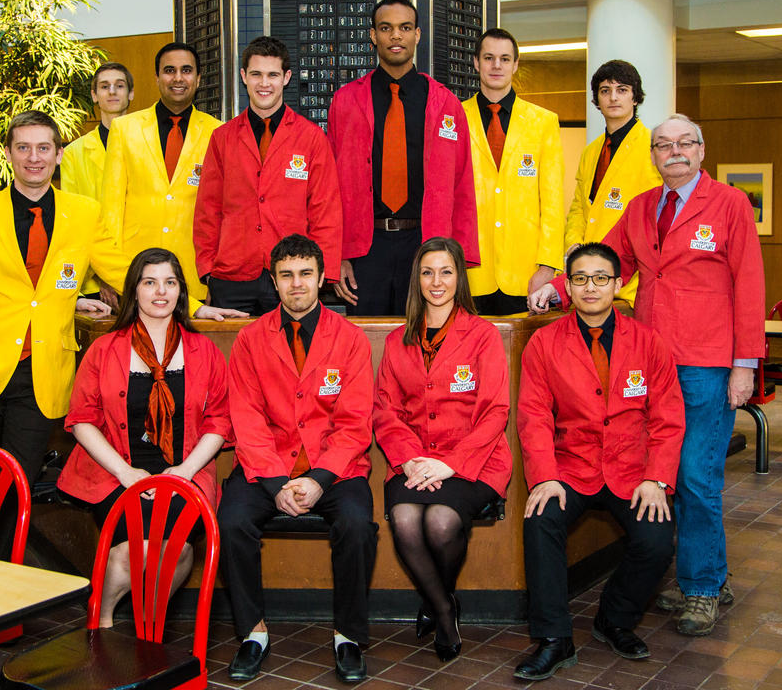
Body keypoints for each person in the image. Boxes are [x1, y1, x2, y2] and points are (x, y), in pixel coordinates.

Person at [528, 114, 765, 637]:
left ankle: (701, 588)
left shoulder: (728, 205)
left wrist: (744, 365)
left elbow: (750, 284)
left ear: (701, 151)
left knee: (697, 478)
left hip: (707, 364)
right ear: (653, 155)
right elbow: (607, 264)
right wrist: (559, 290)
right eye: (663, 145)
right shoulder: (641, 208)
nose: (673, 152)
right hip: (650, 361)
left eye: (684, 144)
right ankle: (708, 575)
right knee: (666, 474)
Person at [0, 110, 121, 556]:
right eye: (24, 148)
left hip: (42, 373)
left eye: (43, 148)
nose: (34, 158)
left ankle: (5, 577)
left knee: (19, 480)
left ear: (59, 156)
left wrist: (190, 300)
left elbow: (126, 271)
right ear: (10, 154)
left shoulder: (84, 214)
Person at [515, 242, 684, 681]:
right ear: (567, 286)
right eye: (581, 279)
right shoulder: (544, 344)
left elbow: (668, 419)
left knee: (657, 541)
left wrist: (656, 479)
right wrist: (544, 478)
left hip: (632, 469)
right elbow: (533, 417)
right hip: (571, 466)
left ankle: (615, 619)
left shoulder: (649, 343)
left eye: (601, 278)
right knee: (540, 522)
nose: (591, 287)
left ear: (618, 283)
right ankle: (554, 638)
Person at [219, 234, 377, 683]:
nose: (297, 284)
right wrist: (275, 484)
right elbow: (245, 417)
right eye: (286, 275)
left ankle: (348, 636)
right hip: (266, 466)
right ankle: (253, 632)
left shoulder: (349, 339)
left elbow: (355, 420)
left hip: (335, 468)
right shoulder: (251, 340)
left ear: (321, 278)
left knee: (357, 525)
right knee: (231, 523)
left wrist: (320, 479)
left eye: (305, 274)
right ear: (273, 280)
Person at [56, 248, 229, 627]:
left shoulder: (205, 351)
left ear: (181, 291)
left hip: (186, 473)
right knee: (132, 551)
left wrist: (184, 471)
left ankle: (145, 625)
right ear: (134, 290)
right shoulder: (104, 350)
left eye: (170, 282)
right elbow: (82, 420)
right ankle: (102, 622)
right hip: (114, 473)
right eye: (150, 282)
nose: (160, 292)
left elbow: (219, 421)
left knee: (178, 548)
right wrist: (126, 473)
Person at [373, 236, 511, 664]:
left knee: (441, 522)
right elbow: (384, 410)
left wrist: (448, 464)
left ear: (459, 278)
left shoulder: (483, 336)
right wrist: (411, 459)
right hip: (413, 461)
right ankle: (445, 607)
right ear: (417, 278)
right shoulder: (398, 341)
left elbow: (495, 411)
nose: (437, 281)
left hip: (475, 462)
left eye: (446, 271)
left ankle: (437, 603)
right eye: (428, 272)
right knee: (407, 517)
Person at [329, 0, 478, 316]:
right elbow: (328, 191)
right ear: (373, 36)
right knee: (367, 347)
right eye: (386, 28)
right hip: (365, 249)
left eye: (404, 27)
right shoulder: (345, 102)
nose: (396, 36)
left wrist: (458, 257)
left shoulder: (446, 104)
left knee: (424, 346)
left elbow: (463, 185)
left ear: (417, 35)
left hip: (426, 245)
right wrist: (336, 254)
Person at [194, 36, 341, 314]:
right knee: (233, 356)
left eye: (273, 75)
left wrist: (321, 273)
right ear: (243, 77)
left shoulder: (311, 138)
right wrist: (207, 271)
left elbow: (326, 211)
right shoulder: (222, 138)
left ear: (286, 77)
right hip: (231, 276)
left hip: (291, 276)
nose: (264, 84)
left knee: (289, 355)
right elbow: (207, 210)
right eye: (256, 74)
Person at [102, 42, 227, 307]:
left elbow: (223, 212)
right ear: (157, 77)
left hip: (194, 277)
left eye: (186, 70)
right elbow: (111, 209)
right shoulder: (125, 130)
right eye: (169, 70)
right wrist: (109, 277)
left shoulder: (218, 133)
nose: (178, 78)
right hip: (135, 274)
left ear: (198, 78)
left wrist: (217, 278)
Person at [462, 28, 563, 315]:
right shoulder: (454, 118)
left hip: (525, 273)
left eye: (505, 59)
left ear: (515, 65)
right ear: (476, 63)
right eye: (489, 58)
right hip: (470, 271)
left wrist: (547, 266)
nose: (497, 66)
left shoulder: (543, 123)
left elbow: (553, 203)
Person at [563, 60, 661, 305]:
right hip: (588, 276)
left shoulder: (654, 147)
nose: (613, 98)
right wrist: (573, 244)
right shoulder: (591, 151)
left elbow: (654, 218)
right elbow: (578, 208)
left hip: (631, 285)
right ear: (597, 99)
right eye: (605, 91)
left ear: (635, 98)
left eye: (622, 90)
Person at [60, 62, 134, 306]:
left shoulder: (148, 143)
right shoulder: (74, 153)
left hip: (141, 264)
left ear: (130, 93)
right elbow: (75, 220)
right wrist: (104, 274)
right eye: (104, 86)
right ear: (94, 95)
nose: (112, 91)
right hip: (94, 277)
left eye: (119, 85)